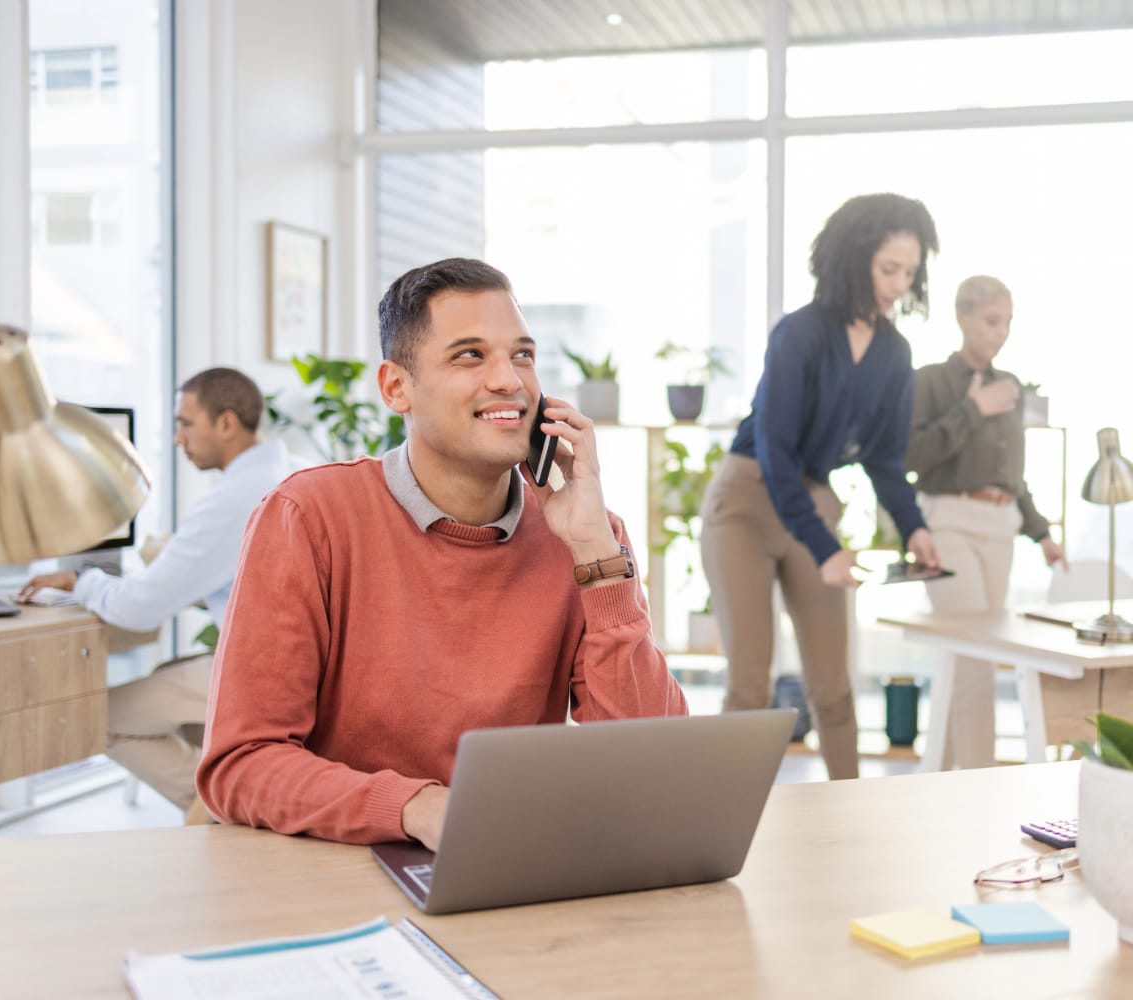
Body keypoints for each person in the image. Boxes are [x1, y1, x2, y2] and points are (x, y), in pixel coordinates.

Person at [196, 257, 687, 850]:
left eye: (523, 355)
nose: (509, 380)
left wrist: (594, 555)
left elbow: (655, 769)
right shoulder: (307, 516)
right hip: (343, 871)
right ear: (396, 387)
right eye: (470, 355)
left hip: (504, 863)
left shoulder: (584, 539)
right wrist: (417, 807)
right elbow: (240, 763)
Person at [699, 192, 941, 781]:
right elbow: (776, 451)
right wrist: (827, 547)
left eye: (909, 272)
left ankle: (849, 818)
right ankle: (725, 823)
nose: (898, 285)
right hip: (747, 504)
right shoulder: (799, 334)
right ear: (854, 259)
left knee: (833, 689)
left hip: (811, 501)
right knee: (750, 685)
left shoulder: (894, 353)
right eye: (889, 269)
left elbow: (885, 459)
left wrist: (916, 528)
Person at [17, 367, 295, 812]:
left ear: (226, 423)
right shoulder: (294, 471)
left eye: (185, 424)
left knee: (103, 717)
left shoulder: (233, 500)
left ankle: (228, 809)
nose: (177, 439)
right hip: (298, 671)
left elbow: (138, 610)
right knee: (176, 677)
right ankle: (227, 802)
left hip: (264, 678)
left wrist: (83, 581)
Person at [906, 275, 1067, 769]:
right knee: (973, 662)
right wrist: (973, 410)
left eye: (1008, 323)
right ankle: (979, 784)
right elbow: (913, 455)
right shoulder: (929, 380)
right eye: (992, 321)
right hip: (948, 522)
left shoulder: (1010, 387)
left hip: (1001, 528)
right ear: (963, 317)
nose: (1001, 333)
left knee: (968, 663)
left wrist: (1040, 531)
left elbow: (1011, 476)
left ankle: (940, 779)